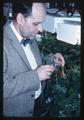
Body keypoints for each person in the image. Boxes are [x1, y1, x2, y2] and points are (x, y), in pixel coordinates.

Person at [3, 1, 65, 117]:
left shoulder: (28, 33)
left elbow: (30, 60)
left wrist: (51, 59)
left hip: (36, 106)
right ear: (20, 18)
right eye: (36, 23)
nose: (41, 29)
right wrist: (35, 76)